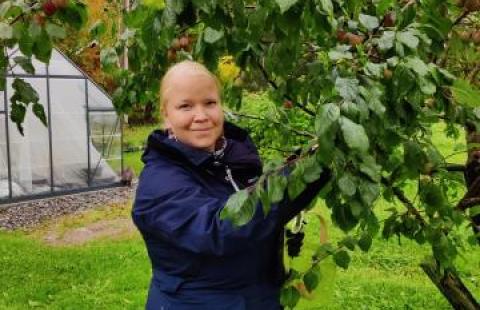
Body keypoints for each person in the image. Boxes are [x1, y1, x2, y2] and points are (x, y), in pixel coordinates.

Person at [132, 60, 329, 309]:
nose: (201, 116)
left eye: (210, 103)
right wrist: (312, 168)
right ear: (166, 114)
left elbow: (258, 209)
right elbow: (220, 230)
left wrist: (314, 157)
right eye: (185, 106)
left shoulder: (233, 158)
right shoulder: (159, 182)